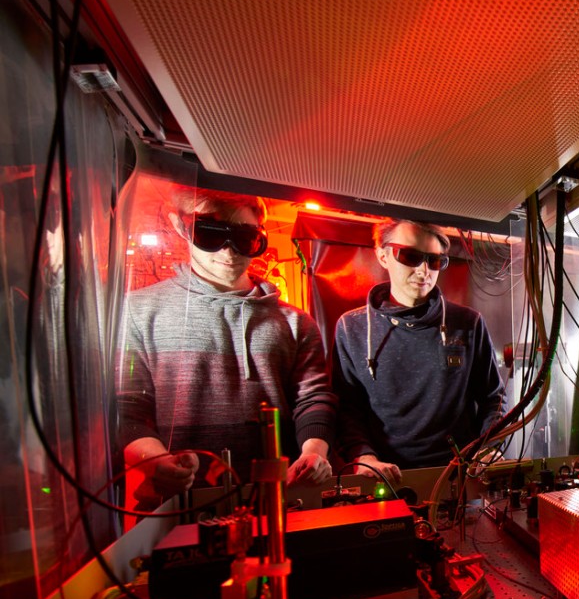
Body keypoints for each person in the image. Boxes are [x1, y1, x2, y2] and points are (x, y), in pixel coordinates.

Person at [118, 188, 336, 509]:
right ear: (181, 227)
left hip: (283, 497)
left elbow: (313, 398)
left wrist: (313, 453)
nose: (228, 250)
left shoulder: (295, 322)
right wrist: (154, 460)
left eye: (244, 237)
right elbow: (127, 408)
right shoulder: (139, 311)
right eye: (209, 234)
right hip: (181, 503)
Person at [332, 218, 504, 485]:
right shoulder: (351, 328)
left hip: (458, 478)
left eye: (434, 261)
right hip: (384, 478)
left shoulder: (468, 324)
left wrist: (487, 448)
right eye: (410, 256)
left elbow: (493, 397)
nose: (424, 271)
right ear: (382, 255)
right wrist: (364, 457)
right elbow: (347, 408)